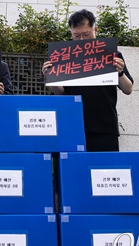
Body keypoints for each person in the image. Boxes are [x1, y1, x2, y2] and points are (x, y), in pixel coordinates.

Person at [41, 9, 133, 152]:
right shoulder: (65, 56)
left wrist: (120, 73)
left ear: (95, 30)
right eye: (76, 36)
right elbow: (60, 92)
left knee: (104, 170)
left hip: (105, 125)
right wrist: (51, 77)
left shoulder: (111, 54)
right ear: (71, 33)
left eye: (86, 34)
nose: (82, 40)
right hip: (73, 124)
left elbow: (128, 89)